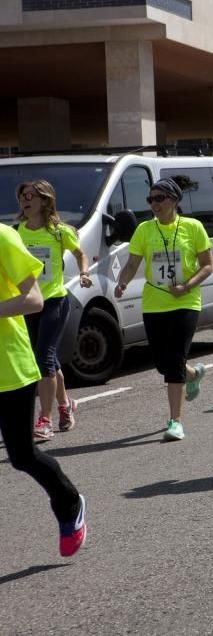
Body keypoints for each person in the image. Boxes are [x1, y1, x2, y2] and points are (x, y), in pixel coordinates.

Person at [0, 221, 86, 556]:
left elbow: (34, 299)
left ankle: (69, 503)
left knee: (22, 457)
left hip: (10, 370)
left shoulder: (4, 237)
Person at [114, 178, 212, 441]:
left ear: (174, 200)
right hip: (154, 303)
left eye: (159, 198)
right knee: (162, 363)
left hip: (185, 302)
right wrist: (122, 282)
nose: (154, 204)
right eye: (150, 199)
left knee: (174, 362)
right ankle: (193, 374)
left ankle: (175, 421)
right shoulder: (145, 229)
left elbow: (207, 266)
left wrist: (187, 286)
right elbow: (133, 263)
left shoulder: (193, 227)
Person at [15, 181, 93, 440]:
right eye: (22, 197)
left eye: (31, 197)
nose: (25, 201)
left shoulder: (59, 232)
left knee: (43, 360)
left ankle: (44, 419)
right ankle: (66, 405)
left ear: (45, 200)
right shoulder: (18, 232)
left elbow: (80, 253)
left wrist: (83, 273)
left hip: (54, 302)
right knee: (47, 359)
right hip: (28, 303)